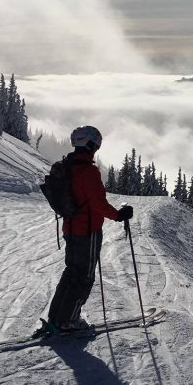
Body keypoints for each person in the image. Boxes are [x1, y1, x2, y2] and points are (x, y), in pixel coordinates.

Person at [46, 125, 134, 332]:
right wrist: (119, 216)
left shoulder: (67, 167)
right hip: (88, 231)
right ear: (91, 145)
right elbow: (98, 204)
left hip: (70, 229)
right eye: (96, 145)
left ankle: (57, 317)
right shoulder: (88, 171)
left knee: (71, 273)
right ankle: (69, 320)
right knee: (84, 276)